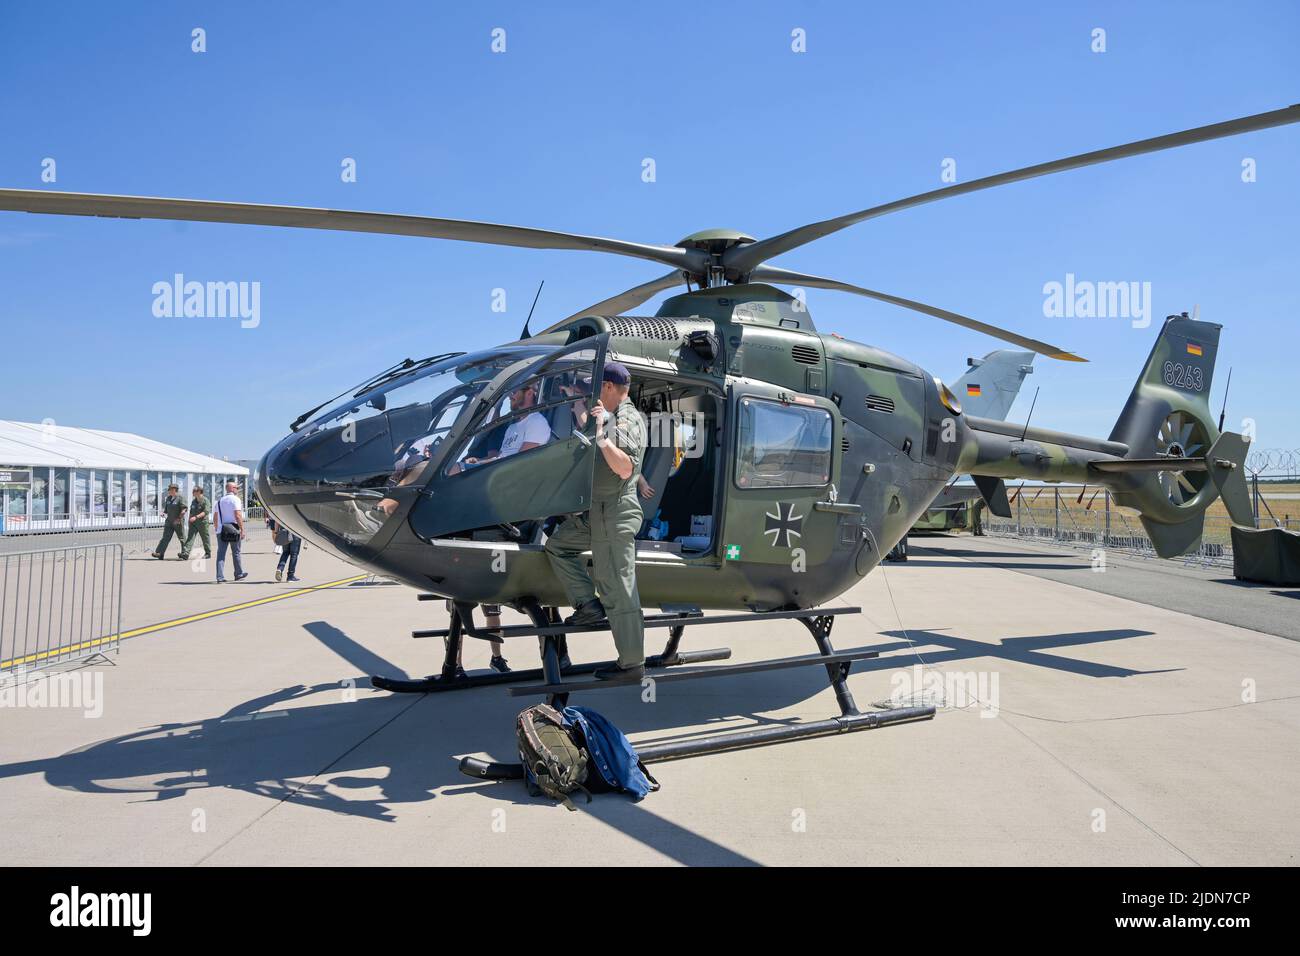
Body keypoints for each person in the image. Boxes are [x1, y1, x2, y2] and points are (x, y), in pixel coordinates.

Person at [544, 361, 647, 681]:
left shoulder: (627, 419)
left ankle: (632, 664)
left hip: (614, 514)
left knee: (617, 586)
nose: (592, 393)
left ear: (608, 388)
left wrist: (602, 436)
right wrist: (580, 409)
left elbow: (625, 467)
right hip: (595, 513)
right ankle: (588, 605)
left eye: (595, 387)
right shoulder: (610, 416)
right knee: (558, 547)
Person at [214, 481, 248, 583]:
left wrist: (217, 528)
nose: (237, 489)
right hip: (233, 529)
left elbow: (215, 516)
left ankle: (220, 577)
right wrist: (242, 529)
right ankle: (238, 574)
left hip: (221, 530)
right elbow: (237, 515)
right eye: (236, 488)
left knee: (221, 553)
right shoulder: (235, 499)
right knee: (236, 552)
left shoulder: (219, 501)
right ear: (232, 489)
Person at [152, 484, 188, 559]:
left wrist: (179, 519)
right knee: (165, 537)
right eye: (169, 489)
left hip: (177, 521)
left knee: (181, 537)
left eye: (170, 489)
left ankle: (185, 553)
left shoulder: (180, 498)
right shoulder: (168, 498)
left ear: (175, 489)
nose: (169, 491)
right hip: (169, 521)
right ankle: (159, 553)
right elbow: (166, 509)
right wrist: (163, 513)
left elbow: (184, 509)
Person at [180, 485, 212, 559]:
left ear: (199, 492)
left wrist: (196, 517)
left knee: (205, 538)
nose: (192, 492)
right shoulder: (194, 501)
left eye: (194, 491)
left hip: (202, 523)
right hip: (193, 523)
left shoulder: (205, 500)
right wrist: (189, 519)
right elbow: (191, 511)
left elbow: (205, 512)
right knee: (190, 537)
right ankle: (186, 553)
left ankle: (208, 553)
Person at [271, 516, 302, 582]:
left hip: (284, 532)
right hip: (295, 532)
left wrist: (276, 532)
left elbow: (276, 520)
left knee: (285, 553)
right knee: (294, 554)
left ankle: (280, 569)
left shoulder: (282, 508)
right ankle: (290, 576)